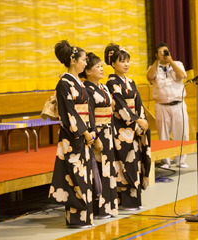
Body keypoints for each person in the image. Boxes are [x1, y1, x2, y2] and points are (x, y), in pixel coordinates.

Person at [48, 40, 95, 228]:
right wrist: (84, 133)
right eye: (84, 60)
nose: (86, 63)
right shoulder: (64, 83)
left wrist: (91, 132)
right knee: (75, 175)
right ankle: (76, 219)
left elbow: (87, 108)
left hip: (84, 135)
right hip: (73, 136)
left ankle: (85, 217)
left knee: (85, 174)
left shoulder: (79, 83)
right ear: (73, 61)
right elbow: (69, 112)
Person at [104, 43, 151, 210]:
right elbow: (120, 105)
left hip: (134, 127)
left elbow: (138, 104)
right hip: (121, 127)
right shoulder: (111, 83)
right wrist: (137, 120)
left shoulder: (130, 82)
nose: (126, 64)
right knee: (124, 163)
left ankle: (134, 199)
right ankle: (124, 201)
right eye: (122, 61)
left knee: (135, 161)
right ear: (113, 63)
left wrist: (141, 122)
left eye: (128, 61)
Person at [79, 52, 118, 218]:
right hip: (98, 132)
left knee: (109, 169)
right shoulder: (86, 89)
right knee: (98, 169)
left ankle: (109, 207)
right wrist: (96, 138)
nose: (102, 69)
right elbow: (90, 115)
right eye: (98, 66)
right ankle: (98, 208)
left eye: (102, 66)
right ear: (88, 71)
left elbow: (110, 111)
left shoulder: (104, 87)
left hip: (109, 130)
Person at [146, 42, 189, 168]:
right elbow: (149, 76)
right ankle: (166, 161)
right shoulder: (153, 67)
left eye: (166, 52)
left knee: (181, 133)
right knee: (163, 134)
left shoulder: (178, 64)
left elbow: (182, 76)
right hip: (161, 106)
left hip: (178, 105)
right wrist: (157, 61)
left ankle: (180, 160)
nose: (164, 55)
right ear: (156, 55)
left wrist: (171, 61)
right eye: (161, 53)